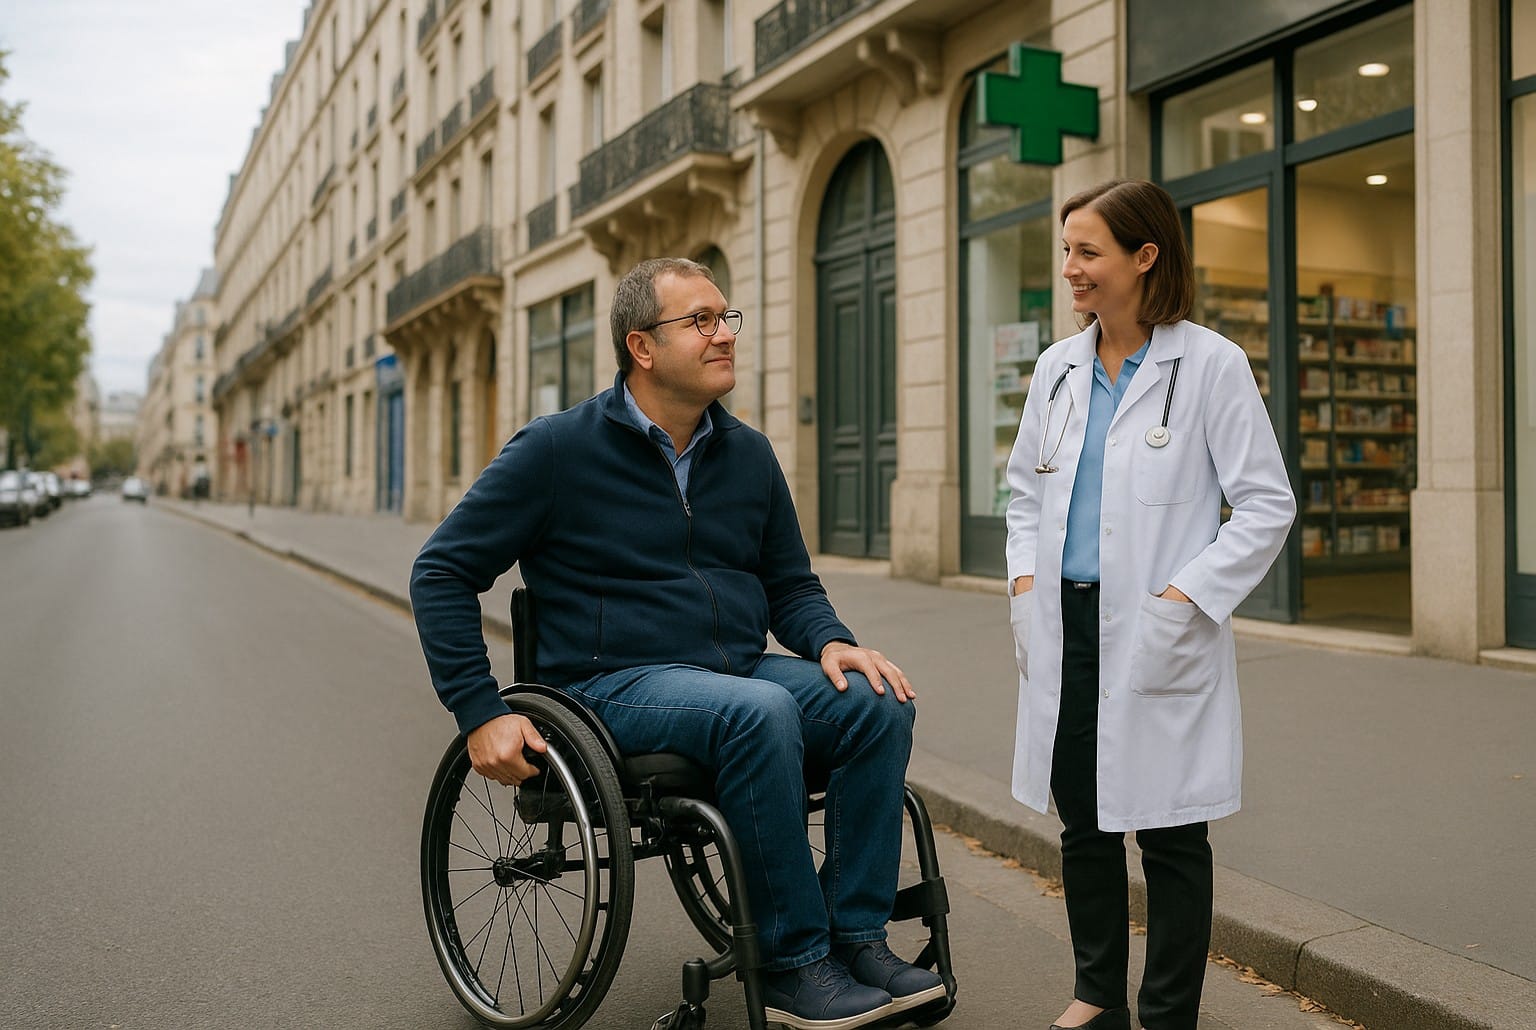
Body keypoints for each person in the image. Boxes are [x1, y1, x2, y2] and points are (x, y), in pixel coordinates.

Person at [410, 256, 946, 1030]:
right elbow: (441, 570)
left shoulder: (748, 454)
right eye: (700, 321)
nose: (724, 334)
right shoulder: (557, 450)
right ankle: (793, 965)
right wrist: (479, 710)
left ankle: (855, 938)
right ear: (643, 346)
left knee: (877, 703)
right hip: (607, 686)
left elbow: (791, 584)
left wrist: (832, 642)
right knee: (757, 712)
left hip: (733, 669)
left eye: (726, 318)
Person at [1003, 180, 1296, 1030]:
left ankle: (1167, 1014)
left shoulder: (1210, 365)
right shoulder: (1057, 369)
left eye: (1087, 252)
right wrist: (1024, 584)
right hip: (1064, 623)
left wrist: (1185, 594)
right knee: (1082, 822)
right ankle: (1097, 995)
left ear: (1144, 257)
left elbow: (1266, 503)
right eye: (1067, 250)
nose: (1070, 268)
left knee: (1171, 833)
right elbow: (1024, 495)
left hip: (1157, 625)